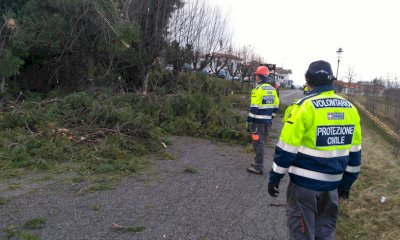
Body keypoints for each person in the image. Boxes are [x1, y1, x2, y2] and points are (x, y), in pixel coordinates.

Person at [267, 60, 362, 239]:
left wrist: (275, 177)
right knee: (325, 232)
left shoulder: (303, 107)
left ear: (308, 81)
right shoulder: (350, 109)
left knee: (301, 233)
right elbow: (355, 154)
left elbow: (286, 149)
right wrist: (346, 184)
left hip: (304, 187)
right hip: (332, 187)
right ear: (331, 80)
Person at [246, 66, 280, 175]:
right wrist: (271, 117)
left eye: (256, 75)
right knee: (262, 142)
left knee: (258, 143)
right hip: (267, 122)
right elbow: (276, 106)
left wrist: (249, 120)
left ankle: (258, 166)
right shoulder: (272, 89)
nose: (255, 77)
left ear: (258, 76)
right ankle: (256, 161)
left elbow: (254, 107)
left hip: (258, 122)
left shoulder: (257, 89)